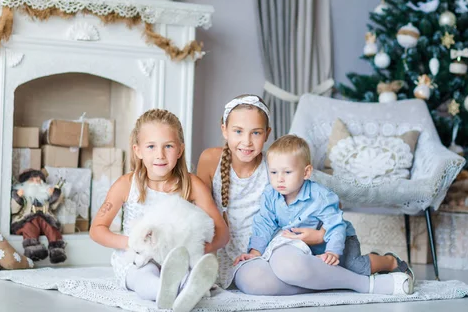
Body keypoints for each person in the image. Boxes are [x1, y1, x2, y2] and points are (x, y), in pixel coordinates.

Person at [197, 95, 412, 296]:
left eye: (256, 132)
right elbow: (202, 215)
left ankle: (366, 285)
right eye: (238, 131)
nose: (246, 141)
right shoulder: (210, 159)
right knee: (255, 283)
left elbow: (318, 205)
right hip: (244, 254)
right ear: (224, 130)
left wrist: (320, 236)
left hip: (283, 244)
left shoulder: (276, 166)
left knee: (289, 266)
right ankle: (329, 280)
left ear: (267, 133)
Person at [234, 134, 414, 295]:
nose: (279, 179)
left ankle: (389, 261)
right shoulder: (270, 195)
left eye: (287, 172)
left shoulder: (320, 195)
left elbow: (336, 225)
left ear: (306, 172)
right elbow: (263, 224)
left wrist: (332, 251)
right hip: (304, 249)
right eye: (273, 172)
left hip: (337, 240)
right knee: (304, 270)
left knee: (356, 266)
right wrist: (255, 252)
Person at [90, 109, 229, 312]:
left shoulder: (192, 184)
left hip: (177, 258)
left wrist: (197, 251)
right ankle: (167, 291)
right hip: (139, 258)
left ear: (180, 150)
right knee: (143, 277)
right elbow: (97, 229)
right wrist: (130, 243)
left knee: (186, 272)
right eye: (151, 146)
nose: (160, 155)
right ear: (138, 150)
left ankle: (187, 286)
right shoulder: (126, 184)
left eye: (168, 146)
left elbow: (223, 233)